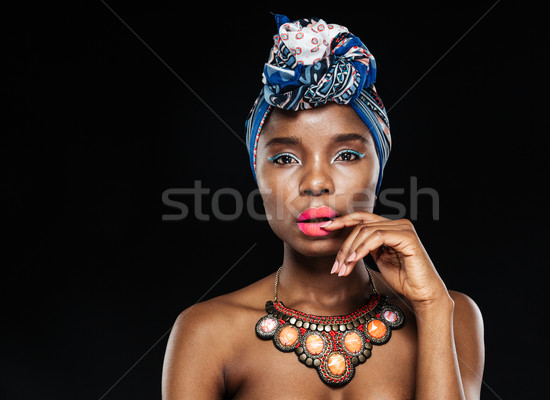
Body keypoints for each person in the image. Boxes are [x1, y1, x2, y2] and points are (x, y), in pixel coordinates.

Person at [162, 15, 484, 400]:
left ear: (378, 169)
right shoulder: (207, 333)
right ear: (256, 173)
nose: (316, 183)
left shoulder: (452, 315)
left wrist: (431, 306)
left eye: (346, 154)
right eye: (284, 159)